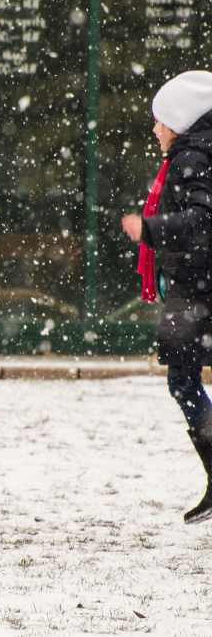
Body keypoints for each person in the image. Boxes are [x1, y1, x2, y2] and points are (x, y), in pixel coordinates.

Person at [121, 70, 212, 525]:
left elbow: (202, 223)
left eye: (161, 121)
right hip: (193, 287)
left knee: (183, 379)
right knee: (182, 378)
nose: (156, 130)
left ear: (180, 119)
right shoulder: (192, 154)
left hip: (200, 289)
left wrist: (150, 230)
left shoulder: (192, 157)